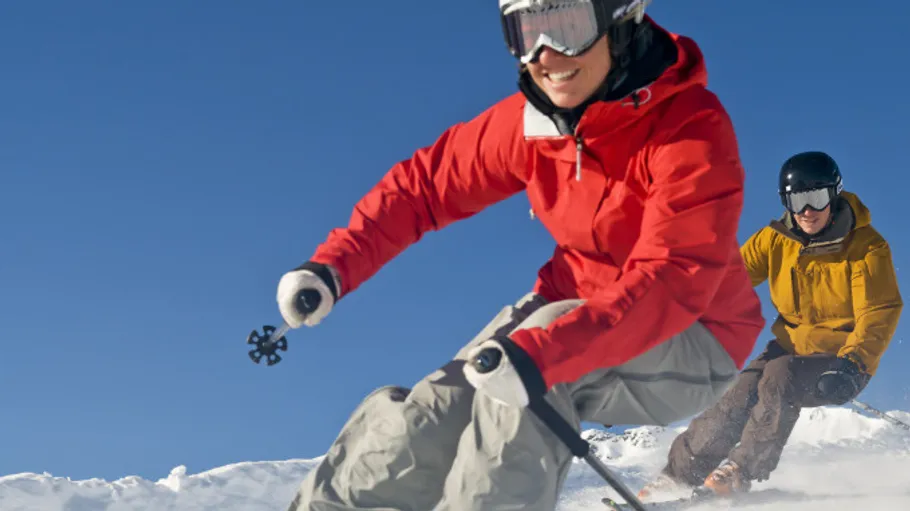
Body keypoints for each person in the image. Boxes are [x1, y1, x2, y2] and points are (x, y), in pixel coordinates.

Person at [278, 1, 765, 509]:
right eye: (526, 31)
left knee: (523, 385)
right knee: (441, 403)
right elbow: (424, 188)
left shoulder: (689, 126)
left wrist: (545, 353)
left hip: (694, 335)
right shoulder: (534, 125)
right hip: (566, 310)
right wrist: (333, 266)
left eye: (567, 27)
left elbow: (675, 275)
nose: (546, 54)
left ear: (621, 22)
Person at [640, 150, 903, 499]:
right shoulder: (777, 240)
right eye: (797, 200)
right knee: (740, 392)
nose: (807, 211)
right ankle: (677, 476)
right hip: (789, 347)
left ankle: (738, 471)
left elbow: (879, 310)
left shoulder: (866, 247)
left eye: (816, 198)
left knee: (780, 377)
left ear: (834, 195)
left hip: (841, 359)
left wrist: (853, 364)